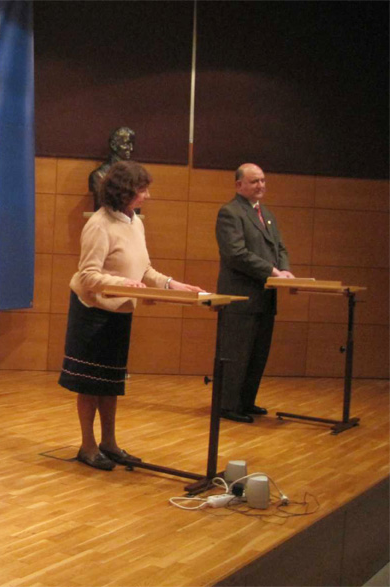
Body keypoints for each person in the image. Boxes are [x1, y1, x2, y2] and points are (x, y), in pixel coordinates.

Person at [59, 160, 203, 471]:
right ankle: (88, 445)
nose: (147, 196)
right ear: (123, 192)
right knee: (89, 383)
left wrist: (172, 284)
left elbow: (144, 269)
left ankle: (109, 443)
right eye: (142, 190)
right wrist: (123, 283)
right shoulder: (98, 225)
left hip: (120, 311)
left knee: (111, 383)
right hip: (91, 314)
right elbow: (88, 276)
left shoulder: (134, 221)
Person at [215, 163, 294, 424]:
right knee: (237, 353)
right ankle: (227, 405)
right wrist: (272, 271)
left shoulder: (266, 214)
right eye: (254, 181)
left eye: (262, 180)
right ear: (239, 185)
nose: (260, 185)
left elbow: (280, 247)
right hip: (240, 297)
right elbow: (236, 254)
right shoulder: (230, 213)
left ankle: (246, 401)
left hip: (265, 296)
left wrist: (284, 270)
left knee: (258, 353)